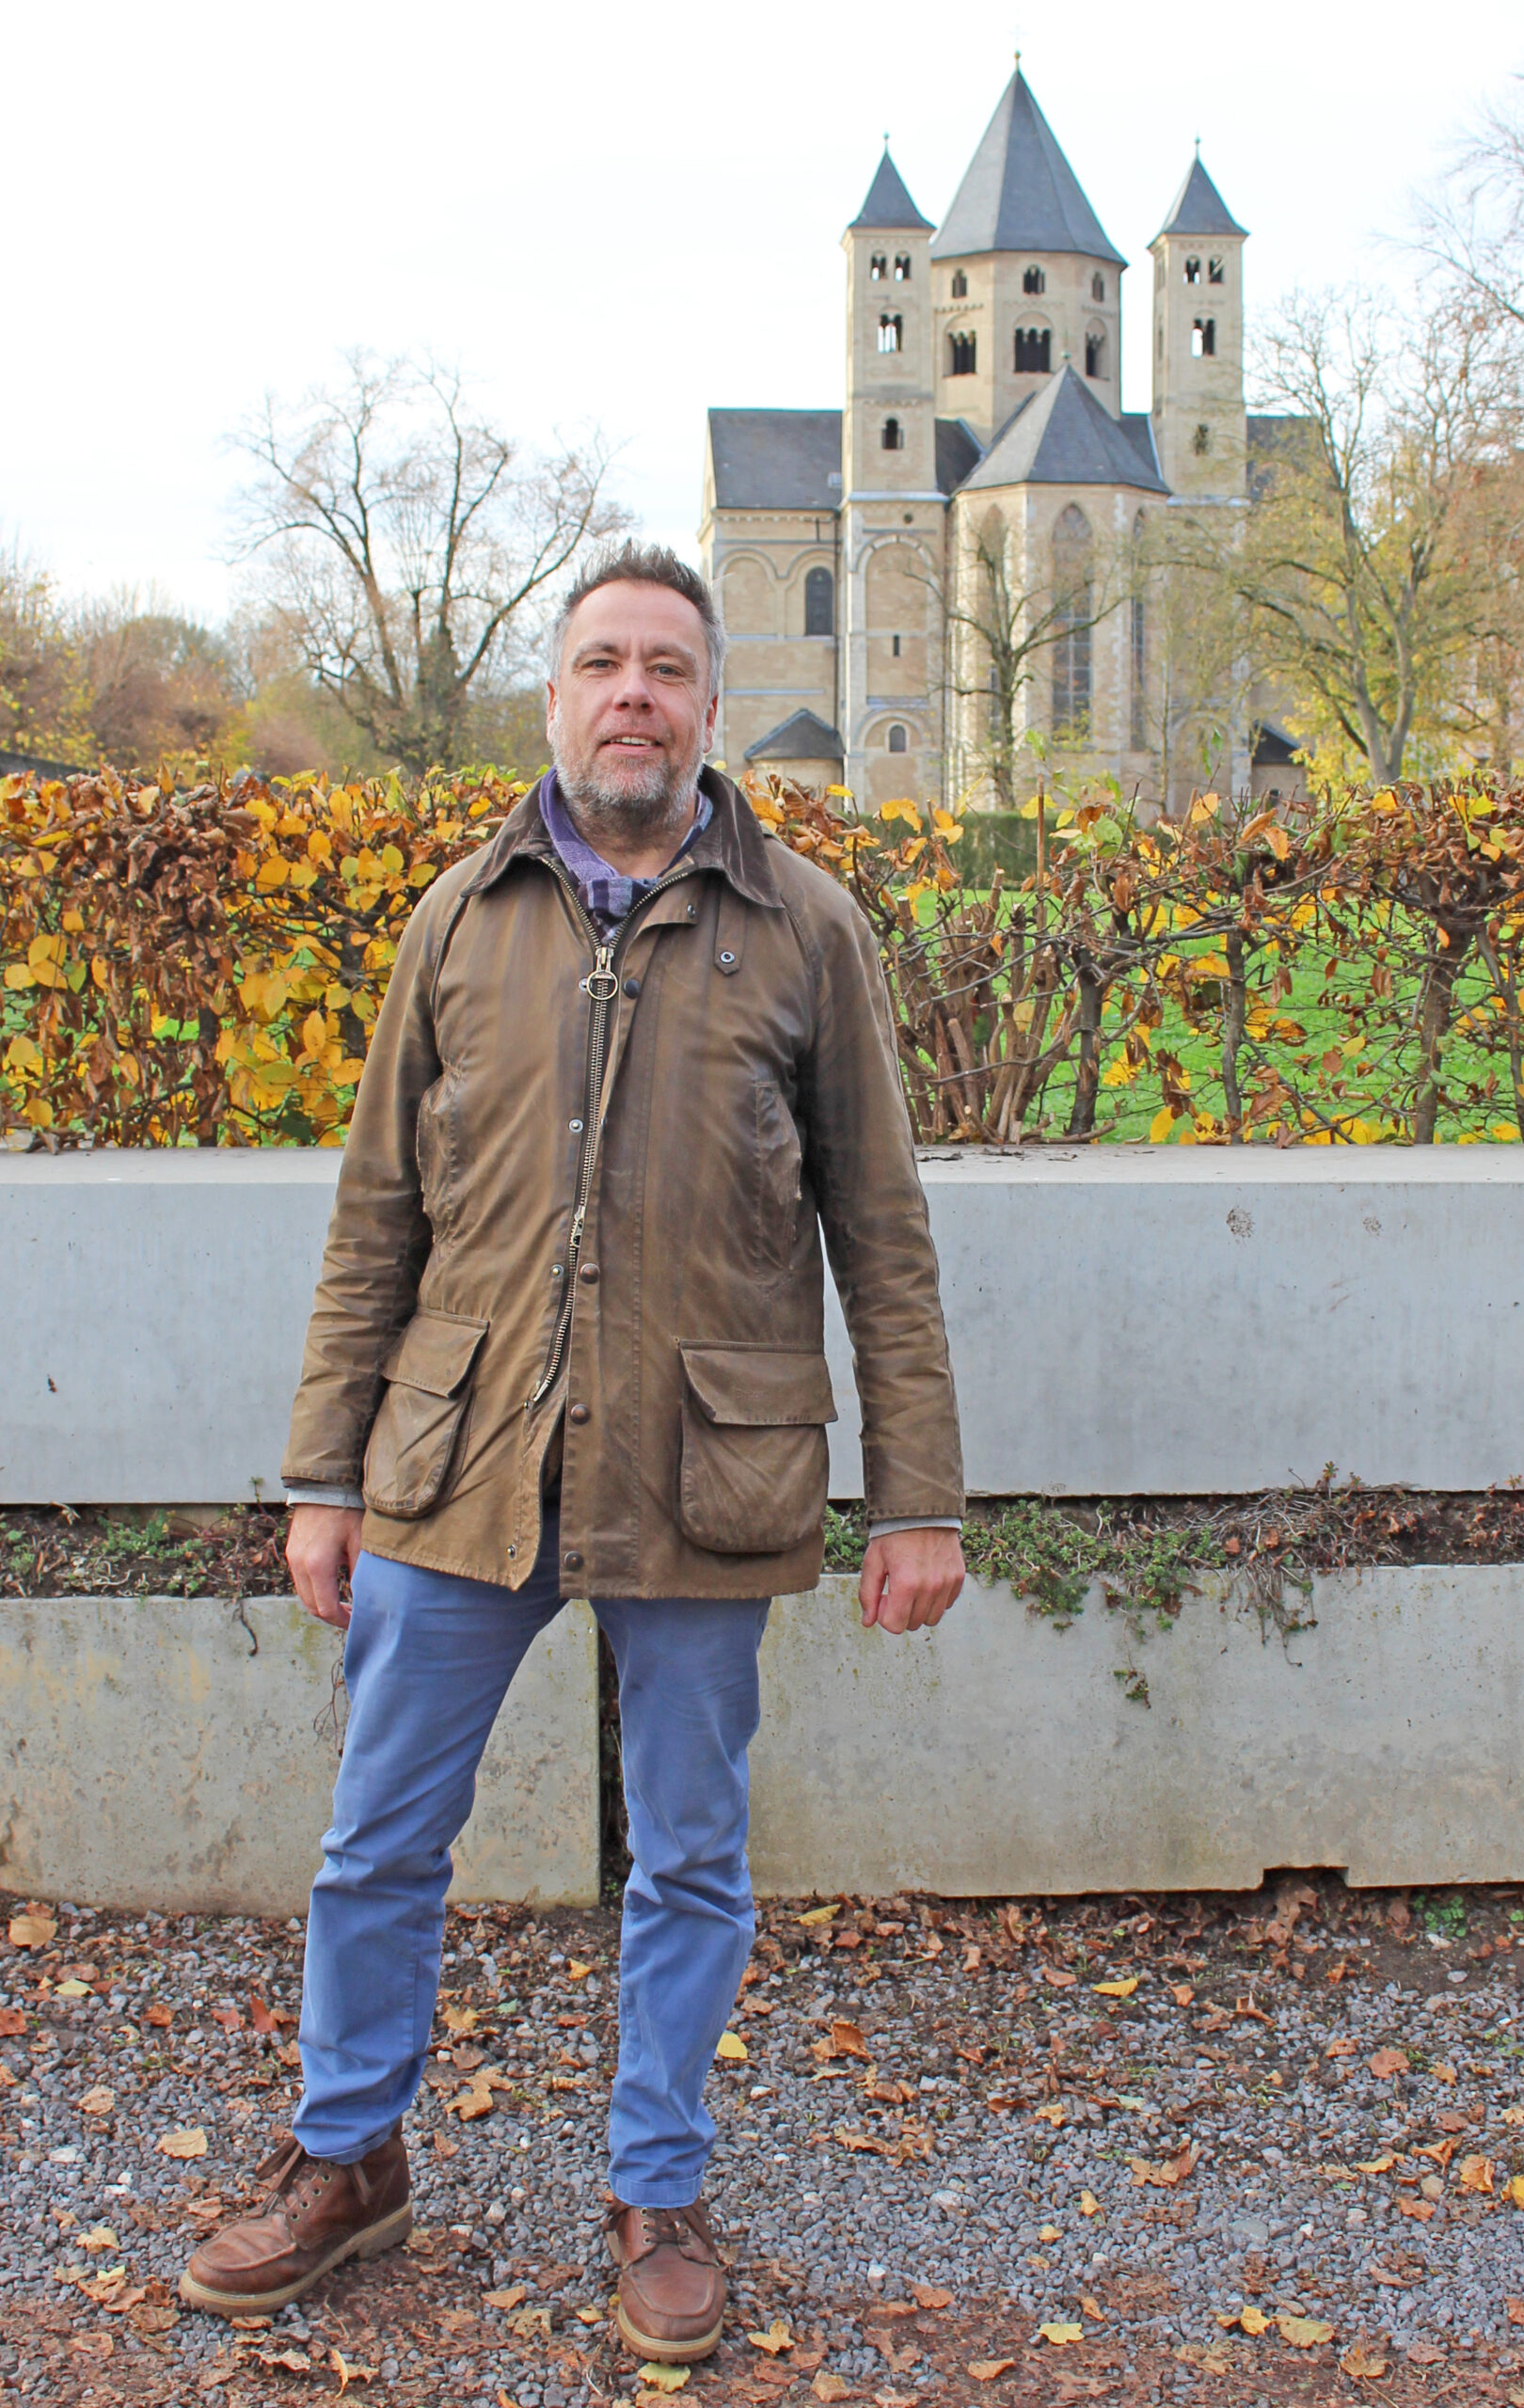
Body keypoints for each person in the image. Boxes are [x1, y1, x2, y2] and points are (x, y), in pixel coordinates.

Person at [177, 542, 965, 2362]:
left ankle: (657, 2190)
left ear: (711, 703)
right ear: (553, 697)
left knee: (689, 1858)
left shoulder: (806, 929)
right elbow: (376, 1217)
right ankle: (347, 2159)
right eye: (604, 663)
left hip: (703, 1472)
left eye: (667, 669)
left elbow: (883, 1233)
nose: (634, 696)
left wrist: (917, 1496)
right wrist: (323, 1475)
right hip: (460, 1466)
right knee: (378, 1841)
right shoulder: (459, 920)